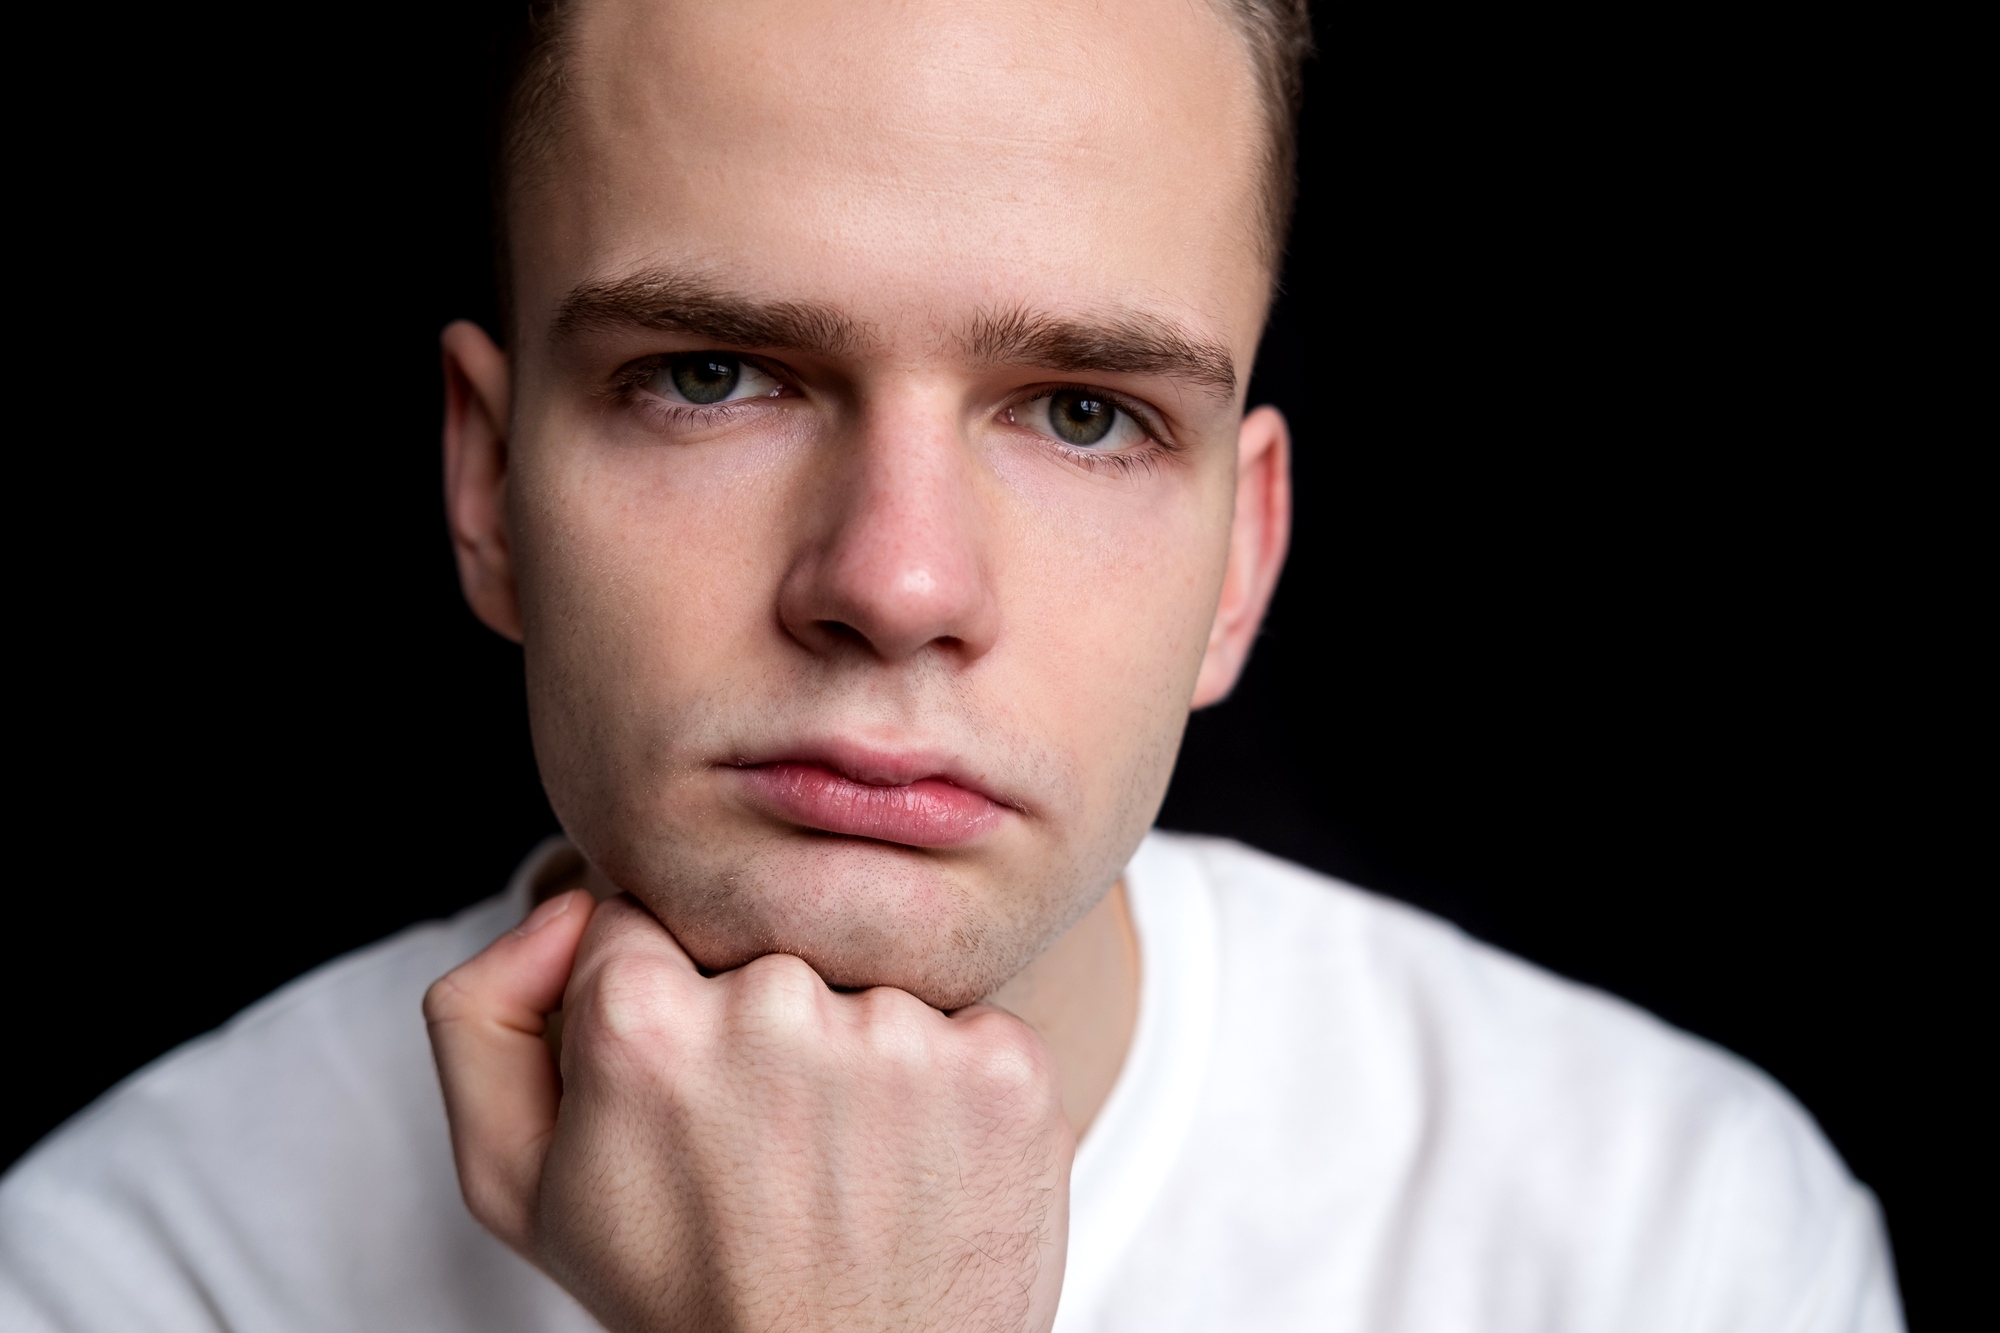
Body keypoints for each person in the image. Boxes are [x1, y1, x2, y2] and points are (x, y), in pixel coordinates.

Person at [0, 0, 1903, 1329]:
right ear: (490, 484)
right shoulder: (119, 1278)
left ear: (1242, 559)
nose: (895, 579)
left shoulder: (1674, 1242)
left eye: (1080, 411)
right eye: (714, 375)